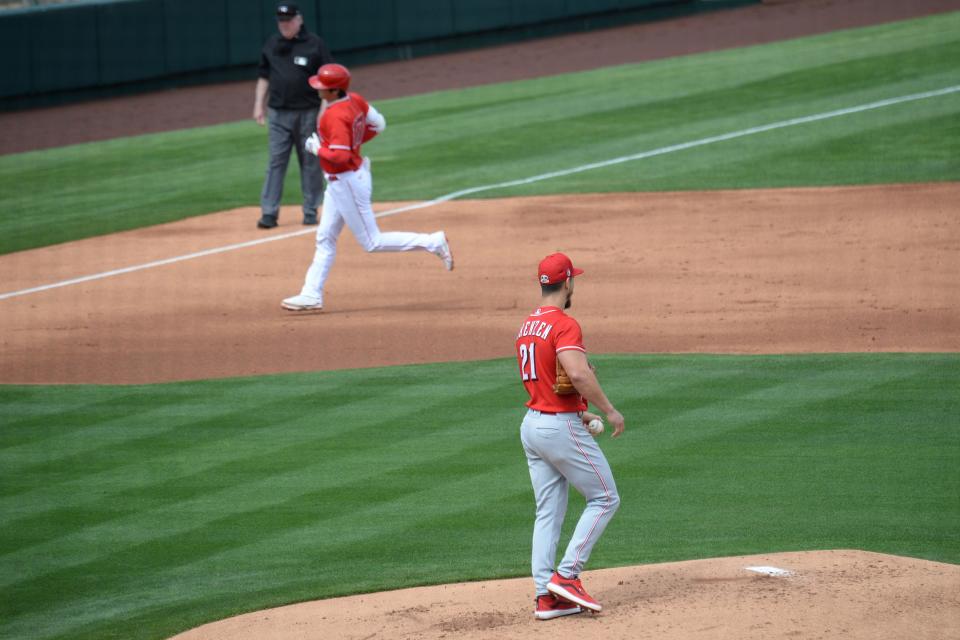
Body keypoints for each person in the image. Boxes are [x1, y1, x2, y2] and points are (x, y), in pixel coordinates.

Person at [281, 63, 454, 312]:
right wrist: (352, 143)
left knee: (372, 241)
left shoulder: (334, 115)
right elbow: (379, 124)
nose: (318, 89)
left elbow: (339, 158)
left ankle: (432, 242)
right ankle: (311, 294)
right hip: (343, 180)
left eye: (323, 86)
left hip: (347, 181)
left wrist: (317, 148)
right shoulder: (355, 100)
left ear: (333, 91)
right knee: (325, 237)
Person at [515, 252, 625, 620]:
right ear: (568, 282)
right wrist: (609, 409)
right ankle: (568, 575)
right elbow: (577, 375)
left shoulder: (527, 325)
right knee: (605, 498)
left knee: (547, 512)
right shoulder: (565, 324)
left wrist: (580, 409)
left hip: (532, 424)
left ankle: (546, 598)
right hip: (558, 428)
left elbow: (548, 381)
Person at [253, 2, 333, 229]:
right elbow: (263, 76)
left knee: (310, 162)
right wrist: (259, 104)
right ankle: (269, 212)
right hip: (278, 113)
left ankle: (310, 210)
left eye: (288, 20)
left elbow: (328, 80)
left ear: (299, 20)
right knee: (276, 161)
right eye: (281, 21)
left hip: (308, 112)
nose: (284, 25)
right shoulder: (272, 43)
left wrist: (324, 108)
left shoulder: (314, 44)